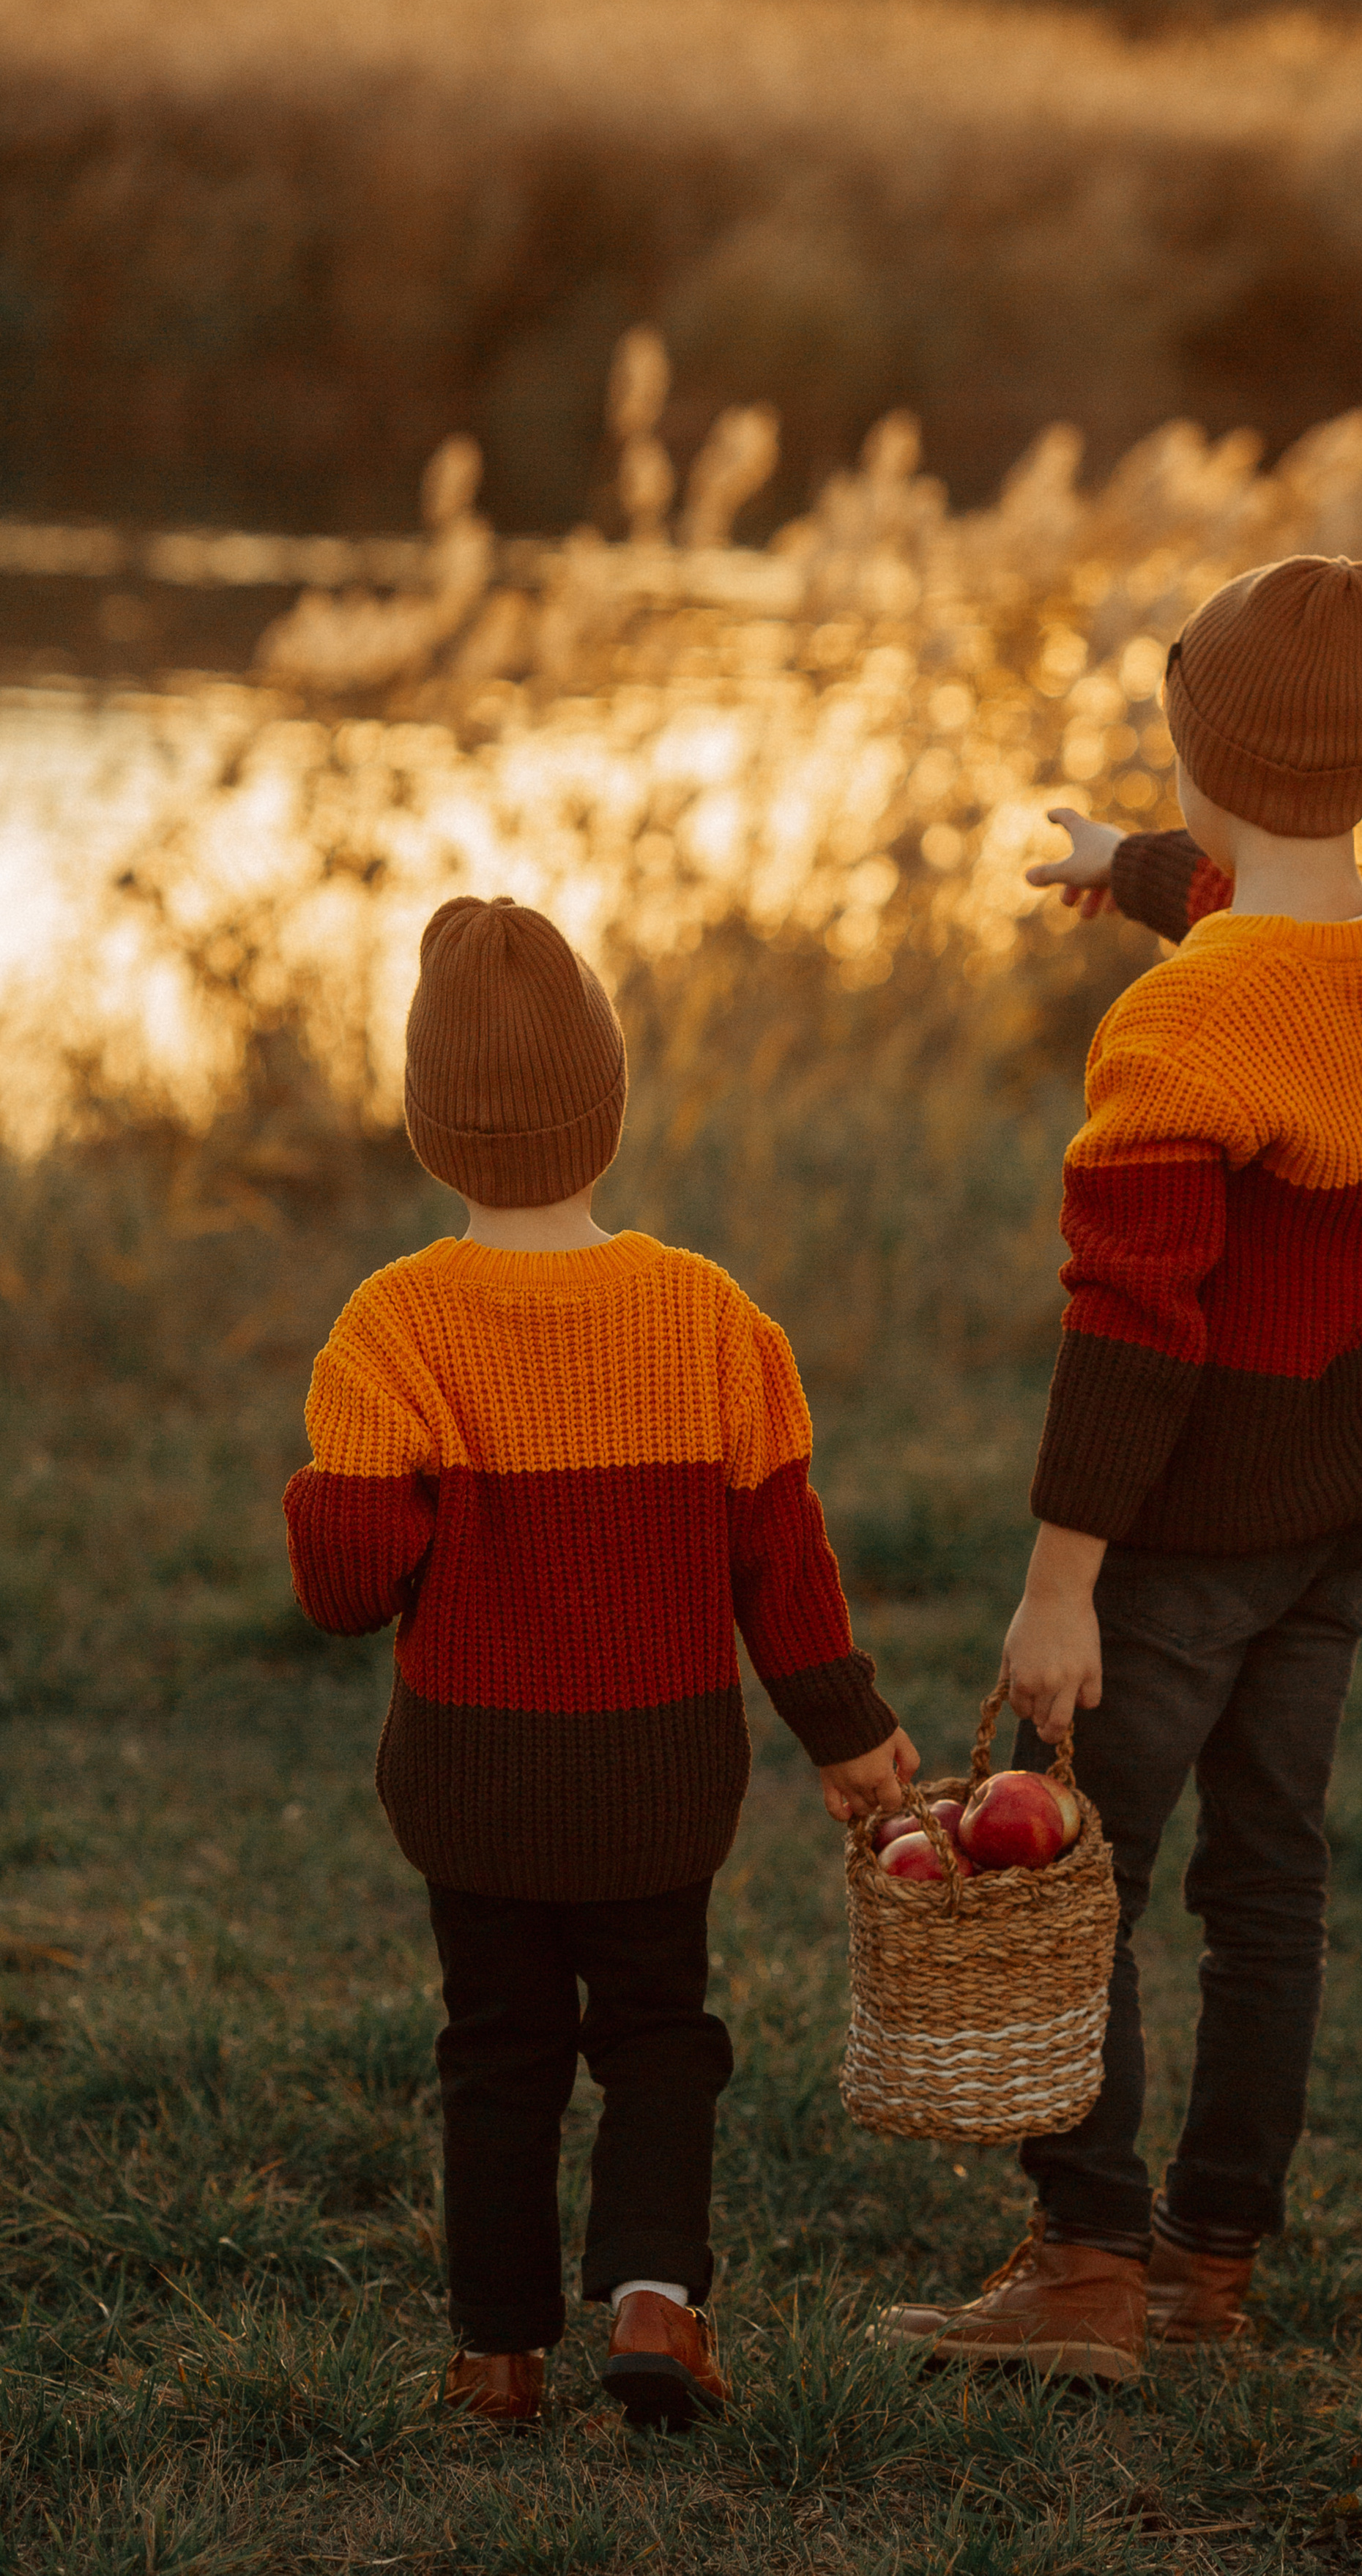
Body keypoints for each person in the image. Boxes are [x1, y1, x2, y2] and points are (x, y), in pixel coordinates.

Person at [879, 554, 1362, 2379]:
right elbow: (1243, 906)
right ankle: (1208, 2267)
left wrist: (1060, 1589)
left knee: (1075, 1883)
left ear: (1199, 749)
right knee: (1267, 1881)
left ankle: (1085, 2266)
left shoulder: (1182, 1023)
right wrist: (1121, 861)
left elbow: (1131, 1326)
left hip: (1191, 1536)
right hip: (1342, 1505)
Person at [284, 896, 915, 2429]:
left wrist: (331, 1492)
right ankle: (653, 2302)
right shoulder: (708, 1315)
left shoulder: (390, 1327)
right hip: (657, 1777)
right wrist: (847, 1735)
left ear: (430, 1125)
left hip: (476, 1781)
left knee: (495, 2050)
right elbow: (783, 1560)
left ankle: (498, 2358)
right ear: (610, 1108)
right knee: (659, 2037)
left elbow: (347, 1589)